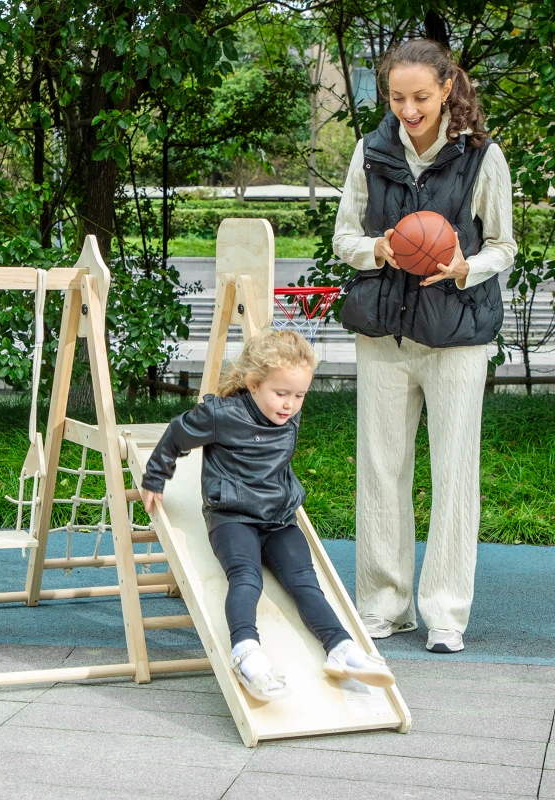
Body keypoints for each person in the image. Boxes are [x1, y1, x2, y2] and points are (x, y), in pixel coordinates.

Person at [333, 39, 517, 654]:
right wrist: (379, 250)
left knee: (453, 474)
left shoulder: (482, 158)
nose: (407, 109)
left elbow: (504, 247)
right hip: (384, 332)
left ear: (446, 90)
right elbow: (344, 238)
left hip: (457, 335)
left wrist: (466, 267)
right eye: (395, 97)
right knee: (381, 469)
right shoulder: (371, 151)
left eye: (420, 97)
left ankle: (445, 612)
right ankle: (384, 604)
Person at [139, 329, 394, 702]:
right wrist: (155, 476)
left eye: (299, 395)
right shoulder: (221, 415)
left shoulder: (286, 413)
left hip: (278, 519)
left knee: (305, 583)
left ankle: (341, 648)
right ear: (254, 383)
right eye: (281, 393)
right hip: (232, 517)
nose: (290, 404)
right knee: (246, 577)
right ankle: (245, 651)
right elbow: (178, 433)